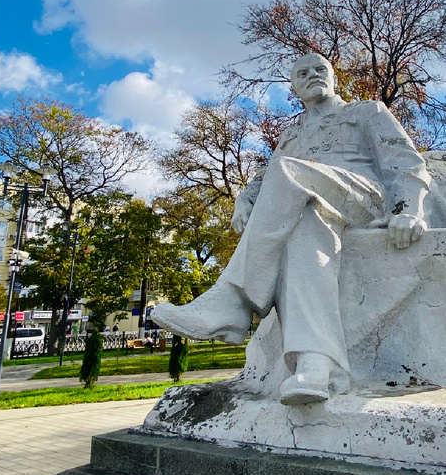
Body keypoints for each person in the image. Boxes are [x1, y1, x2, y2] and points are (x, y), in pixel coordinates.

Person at [151, 52, 431, 406]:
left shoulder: (366, 112)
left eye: (321, 69)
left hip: (362, 196)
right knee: (304, 230)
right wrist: (243, 200)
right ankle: (315, 365)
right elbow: (262, 179)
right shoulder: (291, 133)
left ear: (333, 77)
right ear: (294, 87)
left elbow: (406, 162)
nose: (313, 75)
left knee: (289, 171)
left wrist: (409, 209)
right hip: (315, 206)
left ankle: (232, 301)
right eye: (303, 73)